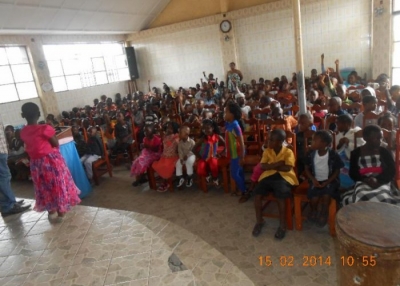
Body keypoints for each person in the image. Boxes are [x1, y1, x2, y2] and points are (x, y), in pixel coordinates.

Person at [20, 102, 80, 220]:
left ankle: (51, 211)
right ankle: (61, 212)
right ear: (38, 114)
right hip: (50, 161)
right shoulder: (45, 128)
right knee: (56, 184)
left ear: (23, 115)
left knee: (43, 186)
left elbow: (28, 146)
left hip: (35, 163)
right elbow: (55, 143)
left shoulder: (23, 132)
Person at [252, 129, 298, 239]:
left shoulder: (288, 152)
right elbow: (263, 166)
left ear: (280, 141)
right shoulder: (267, 151)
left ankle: (282, 225)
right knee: (257, 194)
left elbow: (288, 168)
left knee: (280, 195)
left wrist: (271, 165)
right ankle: (260, 221)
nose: (268, 142)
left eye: (272, 140)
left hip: (284, 177)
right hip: (269, 175)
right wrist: (278, 164)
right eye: (269, 139)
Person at [342, 125, 400, 205]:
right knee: (362, 196)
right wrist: (365, 180)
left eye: (381, 138)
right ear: (365, 138)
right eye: (376, 138)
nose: (380, 141)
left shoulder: (384, 152)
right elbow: (353, 172)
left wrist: (378, 180)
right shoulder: (356, 153)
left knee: (383, 197)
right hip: (363, 182)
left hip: (382, 182)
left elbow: (391, 170)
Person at [304, 130, 343, 227]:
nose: (311, 143)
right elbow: (306, 168)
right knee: (314, 197)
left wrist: (328, 181)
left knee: (326, 195)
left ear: (324, 144)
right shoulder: (310, 154)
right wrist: (313, 179)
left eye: (314, 140)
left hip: (330, 180)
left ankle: (324, 213)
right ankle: (313, 210)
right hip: (315, 180)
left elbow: (337, 171)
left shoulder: (333, 155)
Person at [0, 118, 30, 217]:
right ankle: (8, 205)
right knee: (4, 177)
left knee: (5, 177)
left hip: (2, 150)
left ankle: (10, 202)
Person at [224, 103, 248, 202]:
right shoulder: (230, 124)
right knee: (240, 172)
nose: (224, 114)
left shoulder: (235, 125)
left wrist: (242, 156)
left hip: (237, 154)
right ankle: (243, 189)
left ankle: (245, 191)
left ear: (232, 114)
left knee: (234, 174)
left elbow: (241, 142)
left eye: (226, 112)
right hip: (233, 153)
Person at [335, 114, 364, 191]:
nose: (337, 126)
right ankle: (339, 184)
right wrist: (340, 145)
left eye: (339, 124)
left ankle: (348, 185)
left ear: (346, 124)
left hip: (352, 158)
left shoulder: (355, 133)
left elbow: (360, 147)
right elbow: (336, 149)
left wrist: (348, 143)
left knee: (345, 166)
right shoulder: (339, 135)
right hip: (342, 157)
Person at [193, 119, 225, 186]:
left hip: (213, 155)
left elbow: (226, 145)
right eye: (204, 129)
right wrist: (199, 156)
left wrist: (221, 154)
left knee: (213, 164)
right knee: (200, 169)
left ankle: (215, 178)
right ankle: (207, 175)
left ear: (212, 128)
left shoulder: (217, 136)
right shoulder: (203, 138)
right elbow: (193, 149)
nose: (206, 130)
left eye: (208, 128)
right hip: (204, 156)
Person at [152, 122, 180, 192]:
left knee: (166, 166)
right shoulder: (165, 136)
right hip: (164, 157)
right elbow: (164, 144)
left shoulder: (176, 137)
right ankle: (164, 180)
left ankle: (166, 182)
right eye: (167, 128)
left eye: (170, 128)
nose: (168, 129)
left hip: (173, 157)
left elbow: (178, 148)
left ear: (174, 129)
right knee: (158, 165)